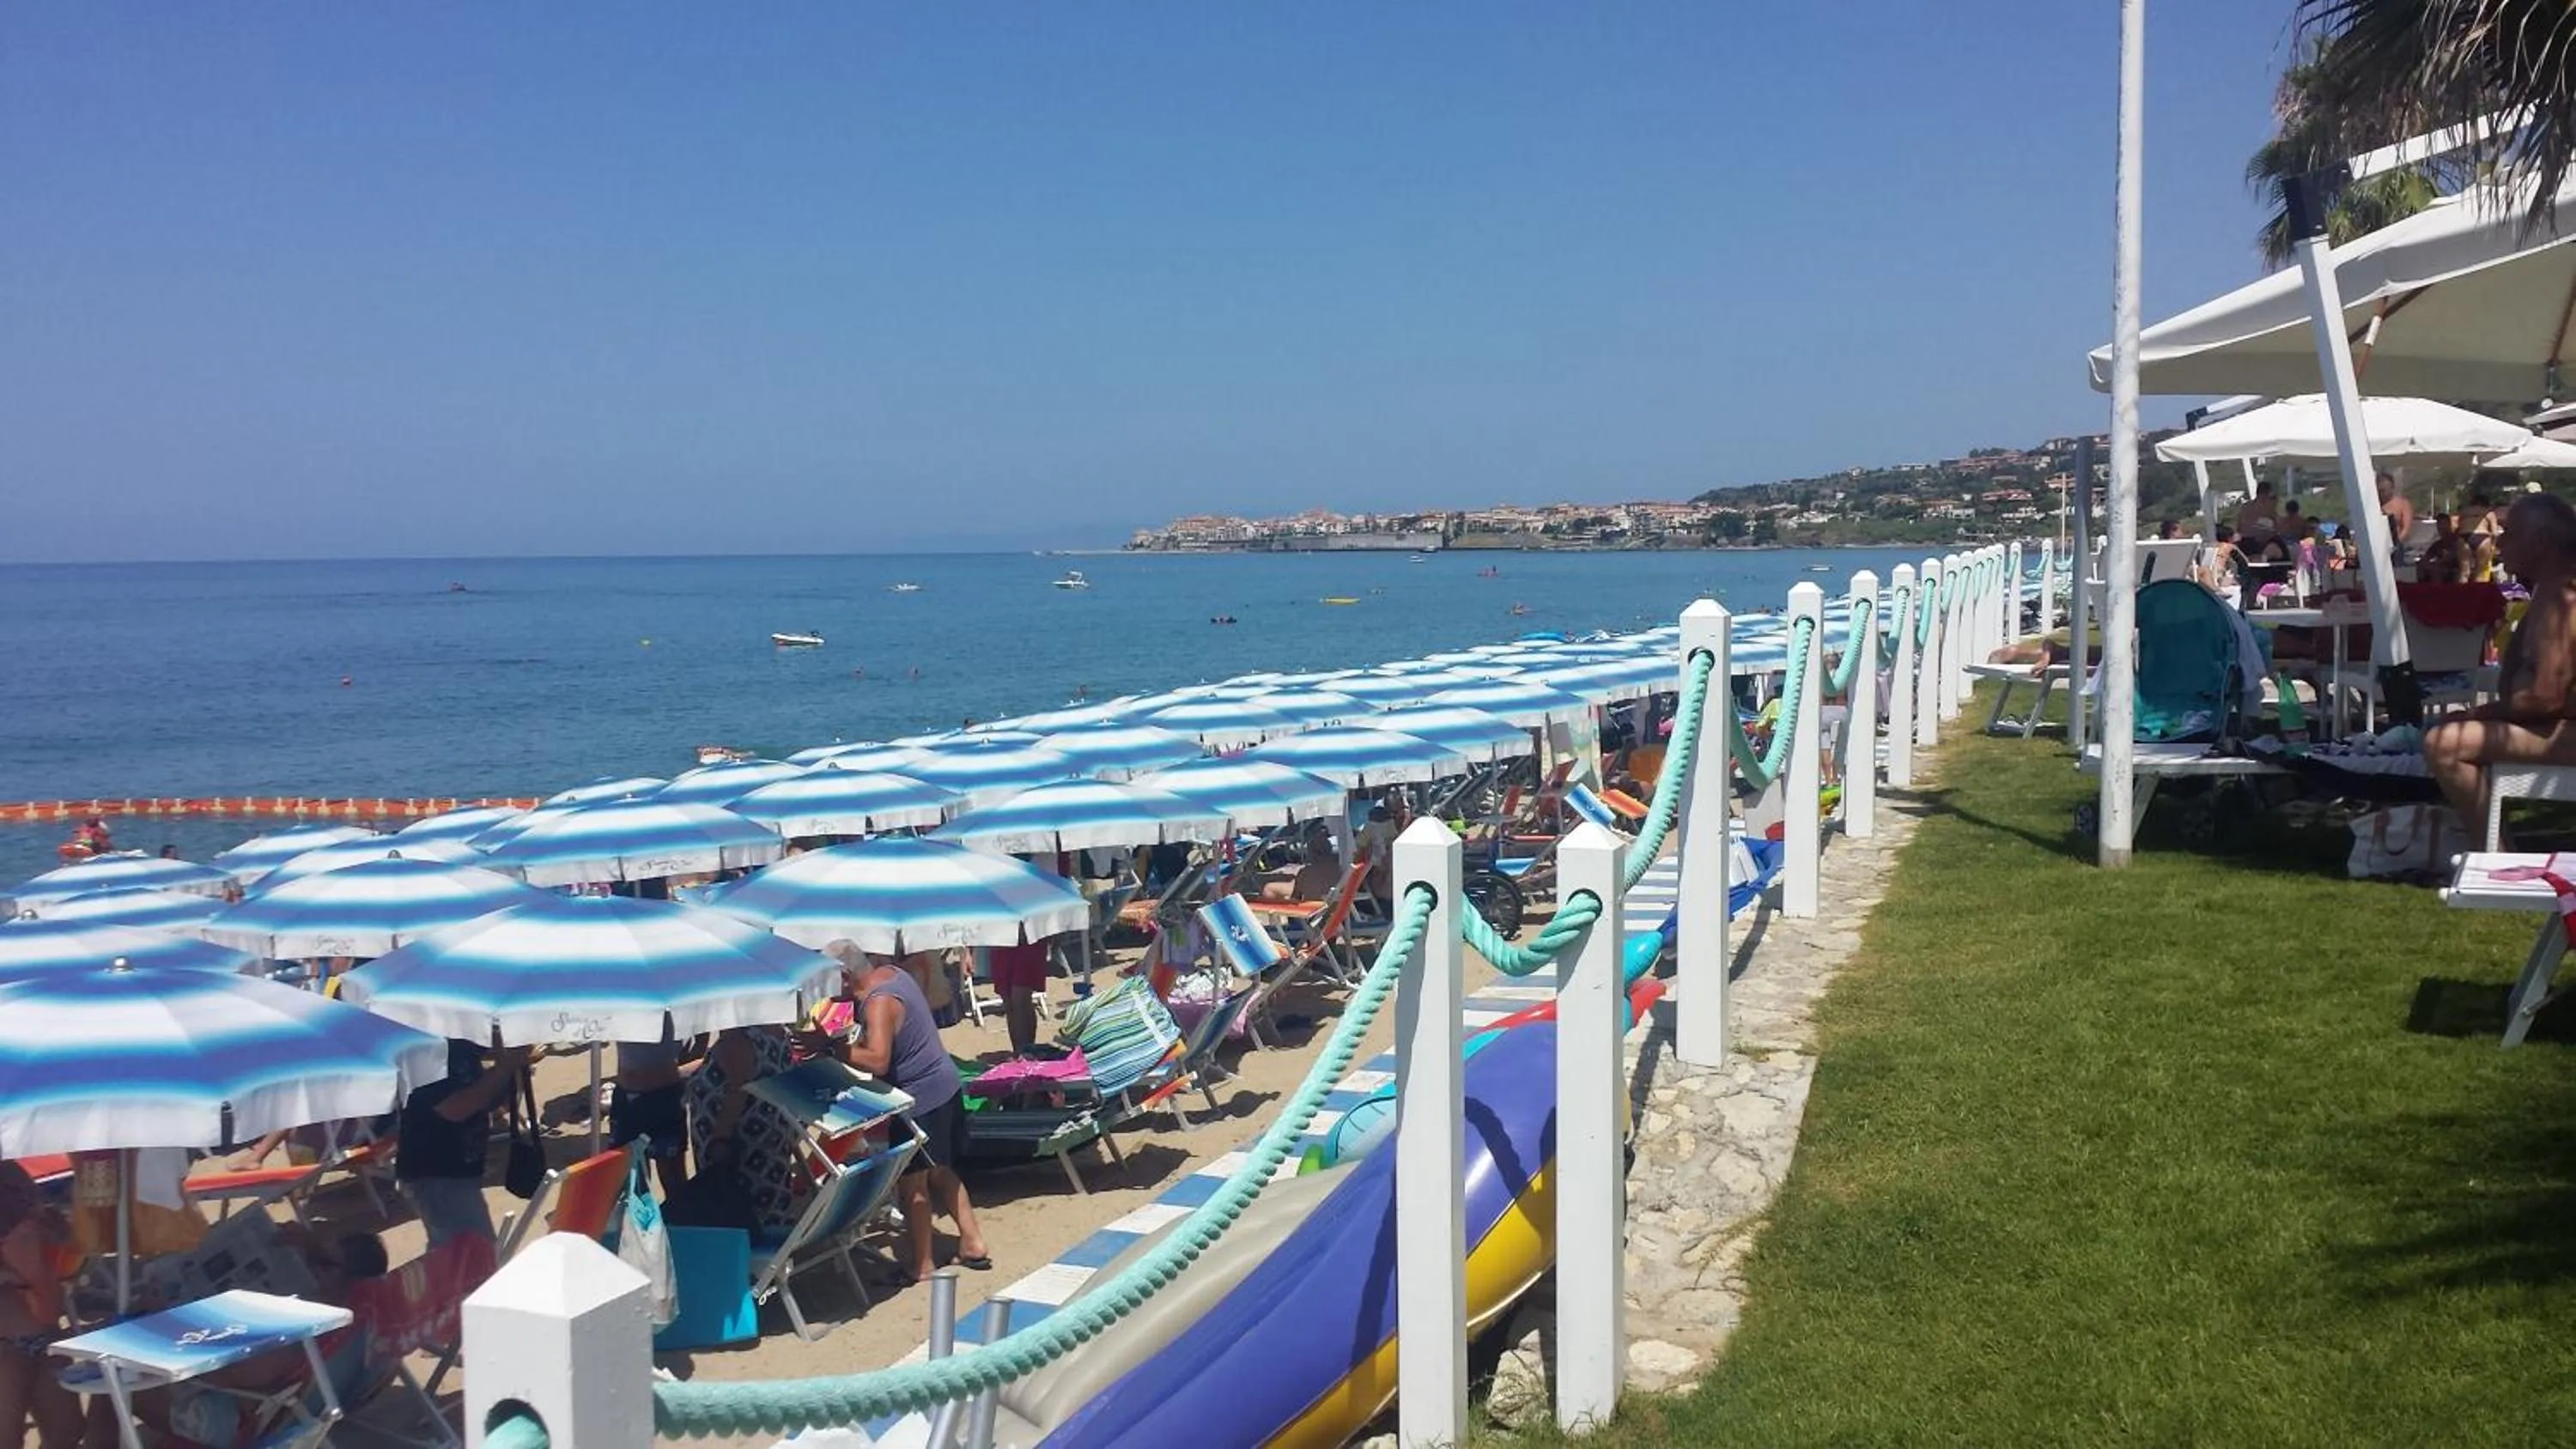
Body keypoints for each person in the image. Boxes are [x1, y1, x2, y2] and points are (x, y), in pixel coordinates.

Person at [814, 943, 990, 1283]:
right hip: (944, 1083)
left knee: (913, 1182)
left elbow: (878, 1060)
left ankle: (921, 1265)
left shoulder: (877, 1003)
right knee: (941, 1170)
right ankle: (973, 1243)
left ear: (845, 976)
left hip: (920, 1098)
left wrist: (835, 1049)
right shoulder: (893, 974)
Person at [2424, 494, 2576, 835]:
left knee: (2445, 743)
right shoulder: (2551, 589)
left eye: (2510, 533)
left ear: (2540, 542)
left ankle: (2493, 850)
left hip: (2563, 731)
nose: (2500, 543)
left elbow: (2544, 698)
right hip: (2557, 725)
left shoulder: (2563, 599)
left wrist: (2476, 715)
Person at [395, 1040, 529, 1246]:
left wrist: (513, 1065)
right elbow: (455, 1108)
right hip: (435, 1174)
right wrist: (505, 1067)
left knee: (460, 1252)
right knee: (472, 1255)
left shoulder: (461, 1045)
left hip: (457, 1171)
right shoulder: (424, 1051)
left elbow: (491, 1101)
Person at [683, 1025, 805, 1240]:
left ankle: (748, 1254)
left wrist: (720, 1137)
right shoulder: (777, 1031)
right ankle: (773, 1250)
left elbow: (738, 1088)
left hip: (743, 1143)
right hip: (769, 1137)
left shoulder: (737, 1037)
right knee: (766, 1206)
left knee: (735, 1206)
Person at [0, 1162, 80, 1449]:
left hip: (44, 1336)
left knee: (67, 1432)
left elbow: (63, 1266)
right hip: (7, 1346)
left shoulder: (12, 1176)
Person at [610, 1037, 697, 1197]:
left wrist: (681, 1074)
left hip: (664, 1097)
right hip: (627, 1097)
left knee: (673, 1179)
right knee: (631, 1183)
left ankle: (679, 1212)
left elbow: (702, 1043)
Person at [982, 936, 1054, 1057]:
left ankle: (1027, 1051)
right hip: (1000, 942)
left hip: (1028, 941)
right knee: (1009, 1002)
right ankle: (1018, 1052)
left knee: (1021, 998)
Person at [2379, 473, 2418, 555]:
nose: (2382, 493)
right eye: (2380, 490)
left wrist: (2396, 543)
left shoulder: (2402, 503)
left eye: (2384, 490)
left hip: (2397, 546)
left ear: (2392, 488)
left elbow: (2406, 528)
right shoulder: (2375, 504)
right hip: (2378, 544)